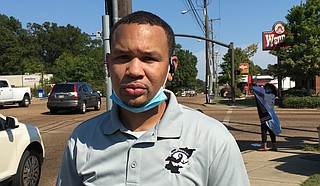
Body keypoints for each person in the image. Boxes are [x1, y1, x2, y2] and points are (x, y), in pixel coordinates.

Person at [56, 11, 250, 186]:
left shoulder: (213, 139)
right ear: (108, 64)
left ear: (171, 67)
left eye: (149, 59)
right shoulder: (82, 139)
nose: (134, 70)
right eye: (122, 57)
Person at [252, 83, 282, 151]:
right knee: (271, 130)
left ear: (271, 89)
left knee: (264, 130)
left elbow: (261, 95)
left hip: (266, 114)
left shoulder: (269, 96)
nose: (266, 89)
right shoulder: (272, 95)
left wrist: (254, 90)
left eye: (268, 88)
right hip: (271, 114)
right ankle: (274, 146)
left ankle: (264, 146)